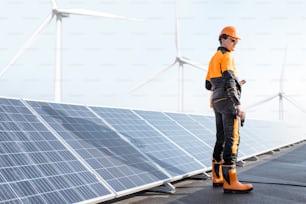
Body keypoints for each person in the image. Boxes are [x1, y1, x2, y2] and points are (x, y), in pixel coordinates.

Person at [205, 26, 253, 193]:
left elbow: (208, 84)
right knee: (232, 138)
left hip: (217, 100)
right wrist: (238, 104)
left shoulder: (213, 58)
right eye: (232, 40)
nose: (235, 43)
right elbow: (229, 79)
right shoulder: (227, 56)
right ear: (223, 39)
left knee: (221, 138)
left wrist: (236, 85)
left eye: (236, 41)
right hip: (227, 101)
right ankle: (230, 180)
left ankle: (217, 177)